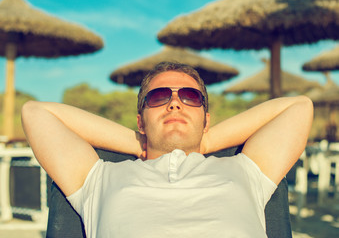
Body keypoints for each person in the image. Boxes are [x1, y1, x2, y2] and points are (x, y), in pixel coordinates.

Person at [21, 61, 313, 238]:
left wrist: (203, 143)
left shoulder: (245, 168)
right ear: (140, 121)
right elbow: (36, 113)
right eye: (159, 97)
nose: (175, 104)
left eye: (190, 97)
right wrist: (145, 142)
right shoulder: (99, 178)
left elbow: (299, 107)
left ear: (206, 119)